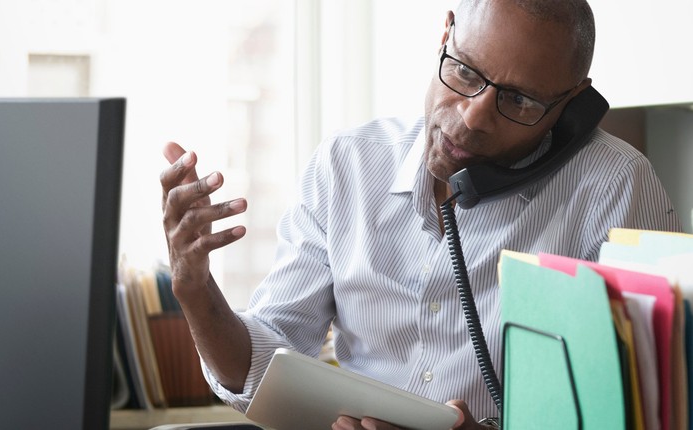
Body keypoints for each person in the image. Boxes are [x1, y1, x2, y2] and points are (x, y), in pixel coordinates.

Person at [160, 0, 683, 428]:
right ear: (445, 34)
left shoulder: (618, 189)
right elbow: (261, 375)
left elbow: (656, 412)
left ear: (570, 106)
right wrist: (195, 290)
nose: (472, 116)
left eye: (519, 101)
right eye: (464, 71)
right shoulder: (346, 166)